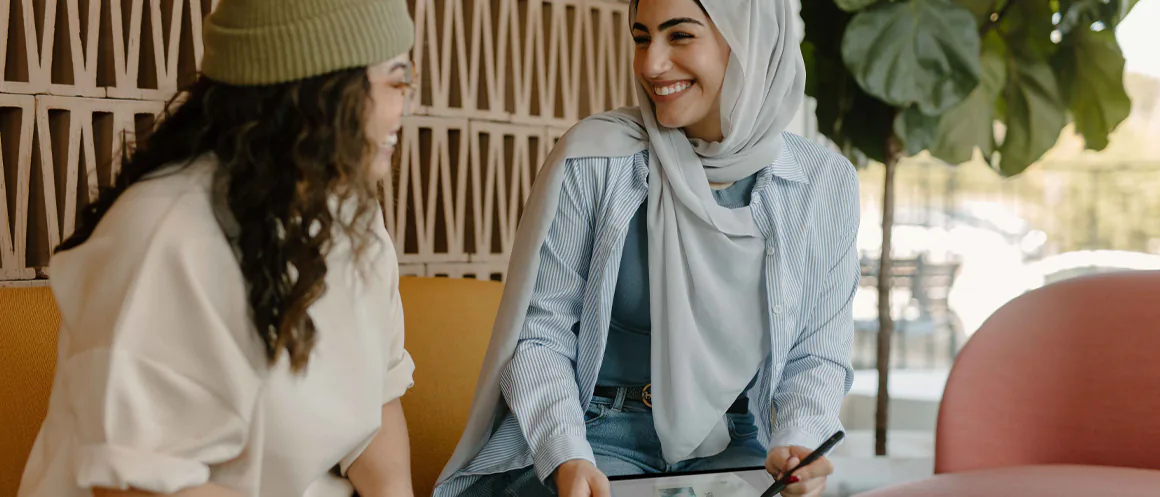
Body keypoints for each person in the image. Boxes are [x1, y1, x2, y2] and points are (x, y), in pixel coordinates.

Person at [433, 0, 858, 497]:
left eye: (679, 36)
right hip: (593, 437)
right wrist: (566, 453)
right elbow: (539, 336)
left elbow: (817, 353)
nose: (651, 64)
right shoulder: (596, 158)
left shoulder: (823, 183)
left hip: (738, 440)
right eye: (641, 37)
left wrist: (799, 444)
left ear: (749, 41)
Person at [17, 1, 419, 496]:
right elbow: (141, 485)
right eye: (397, 81)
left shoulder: (351, 213)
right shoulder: (165, 234)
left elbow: (377, 411)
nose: (405, 105)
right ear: (319, 87)